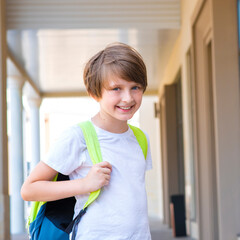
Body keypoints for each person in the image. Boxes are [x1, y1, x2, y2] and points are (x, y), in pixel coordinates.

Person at [21, 42, 153, 240]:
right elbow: (29, 189)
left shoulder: (141, 139)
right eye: (116, 88)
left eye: (135, 87)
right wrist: (84, 184)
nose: (127, 98)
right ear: (95, 93)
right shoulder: (78, 137)